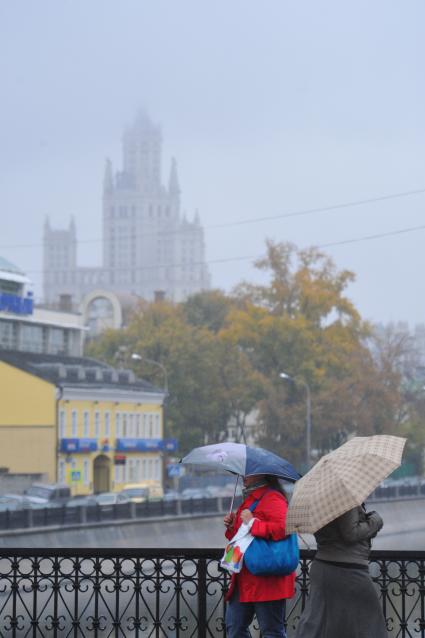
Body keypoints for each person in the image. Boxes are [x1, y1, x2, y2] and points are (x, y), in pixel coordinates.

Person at [294, 505, 387, 638]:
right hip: (349, 570)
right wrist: (375, 521)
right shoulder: (344, 500)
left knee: (317, 624)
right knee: (370, 624)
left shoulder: (319, 501)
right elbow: (351, 533)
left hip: (322, 566)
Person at [223, 474, 296, 638]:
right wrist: (233, 525)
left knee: (271, 632)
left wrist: (253, 523)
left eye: (249, 473)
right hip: (245, 577)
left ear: (261, 474)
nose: (244, 476)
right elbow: (244, 538)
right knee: (234, 628)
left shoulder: (272, 497)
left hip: (267, 579)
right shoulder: (252, 498)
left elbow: (284, 527)